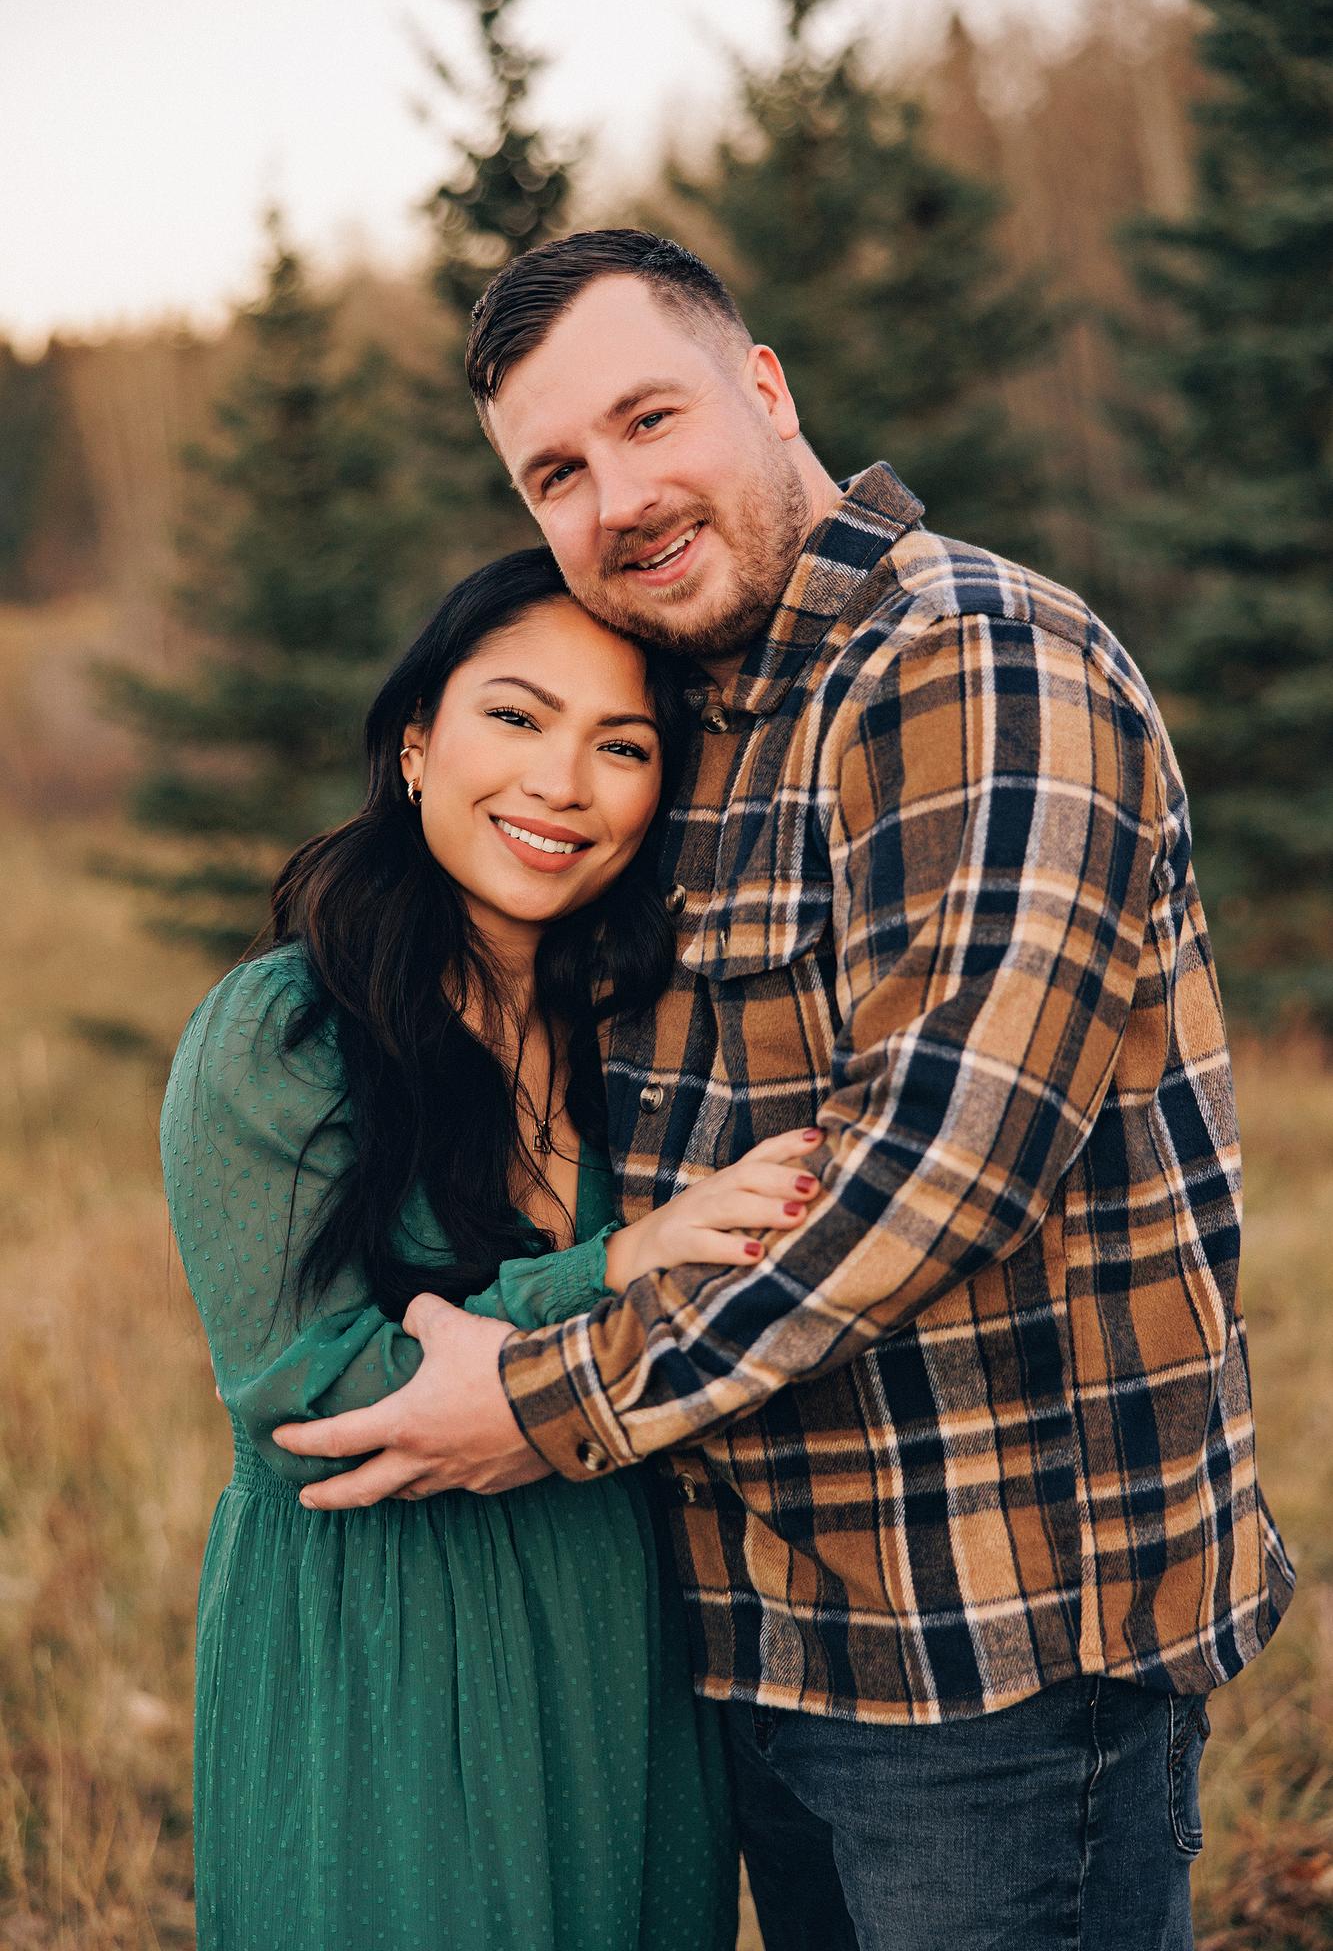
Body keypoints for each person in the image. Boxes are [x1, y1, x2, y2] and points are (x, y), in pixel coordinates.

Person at [275, 233, 1296, 1951]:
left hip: (989, 1658)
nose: (616, 498)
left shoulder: (969, 664)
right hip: (755, 1640)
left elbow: (940, 1172)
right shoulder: (691, 722)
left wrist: (539, 1400)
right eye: (556, 472)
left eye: (647, 417)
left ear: (764, 387)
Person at [163, 546, 828, 1950]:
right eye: (515, 718)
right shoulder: (280, 1033)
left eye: (621, 744)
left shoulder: (647, 1033)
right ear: (416, 742)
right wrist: (612, 1267)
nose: (561, 784)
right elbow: (319, 1397)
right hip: (385, 1640)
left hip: (615, 1628)